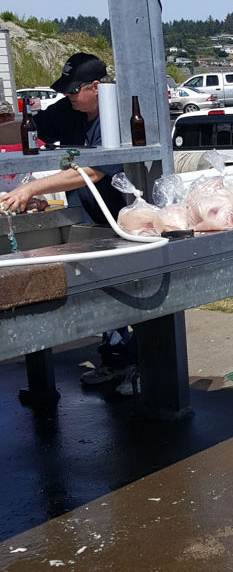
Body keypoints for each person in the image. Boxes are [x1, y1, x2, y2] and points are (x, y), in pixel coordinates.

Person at [0, 53, 137, 395]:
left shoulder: (113, 115)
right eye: (66, 90)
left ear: (97, 87)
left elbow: (95, 170)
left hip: (124, 219)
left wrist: (31, 187)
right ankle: (117, 359)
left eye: (74, 90)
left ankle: (133, 363)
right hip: (87, 219)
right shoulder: (68, 110)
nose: (69, 96)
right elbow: (25, 131)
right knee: (101, 292)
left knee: (126, 293)